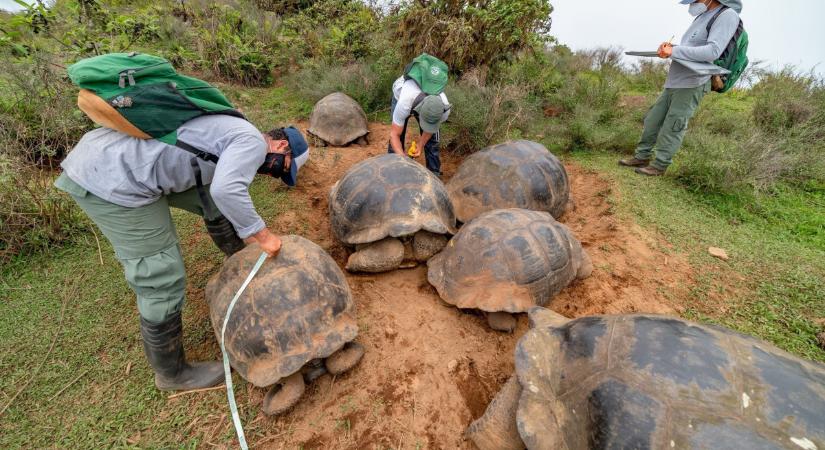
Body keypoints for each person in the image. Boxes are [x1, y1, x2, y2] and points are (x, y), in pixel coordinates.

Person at [54, 115, 308, 391]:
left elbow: (217, 191)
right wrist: (264, 236)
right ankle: (173, 374)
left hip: (114, 155)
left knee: (211, 195)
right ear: (280, 145)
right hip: (111, 176)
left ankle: (241, 262)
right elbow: (228, 190)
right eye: (282, 168)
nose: (272, 174)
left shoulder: (234, 128)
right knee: (160, 275)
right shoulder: (253, 143)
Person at [620, 0, 742, 176]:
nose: (693, 3)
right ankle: (642, 156)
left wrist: (674, 51)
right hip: (675, 79)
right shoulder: (702, 15)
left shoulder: (727, 15)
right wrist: (671, 48)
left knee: (674, 124)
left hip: (693, 82)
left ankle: (659, 165)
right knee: (652, 119)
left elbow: (712, 52)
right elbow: (691, 48)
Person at [387, 69, 451, 176]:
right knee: (398, 136)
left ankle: (434, 173)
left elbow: (430, 130)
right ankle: (393, 170)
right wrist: (403, 159)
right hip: (401, 92)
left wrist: (420, 145)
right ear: (419, 112)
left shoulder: (444, 109)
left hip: (421, 100)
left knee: (433, 139)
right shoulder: (404, 103)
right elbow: (394, 135)